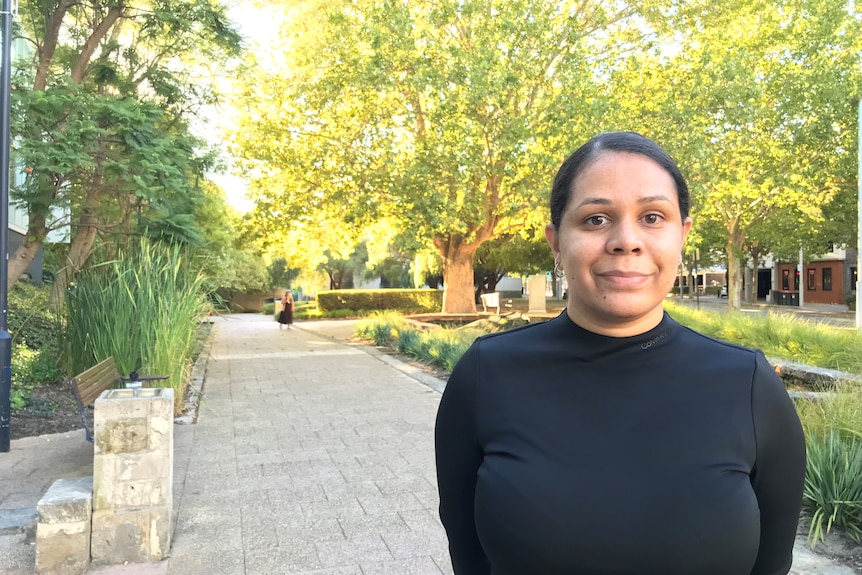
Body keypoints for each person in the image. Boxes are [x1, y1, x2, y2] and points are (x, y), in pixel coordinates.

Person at [435, 132, 806, 575]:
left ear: (682, 235)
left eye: (652, 217)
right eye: (595, 219)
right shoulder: (485, 376)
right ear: (556, 241)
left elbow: (771, 564)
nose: (626, 240)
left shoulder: (749, 386)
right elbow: (469, 556)